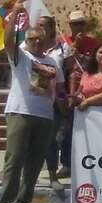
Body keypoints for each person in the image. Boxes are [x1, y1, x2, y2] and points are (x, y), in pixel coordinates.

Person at [0, 3, 60, 203]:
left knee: (34, 163)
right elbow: (8, 40)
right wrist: (15, 13)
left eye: (40, 39)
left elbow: (56, 89)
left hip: (45, 116)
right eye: (32, 39)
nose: (36, 42)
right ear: (27, 40)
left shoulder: (52, 62)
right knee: (14, 161)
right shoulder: (21, 57)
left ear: (46, 40)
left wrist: (65, 100)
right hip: (20, 113)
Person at [57, 10, 100, 179]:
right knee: (68, 129)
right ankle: (66, 164)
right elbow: (63, 66)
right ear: (70, 25)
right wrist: (75, 45)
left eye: (82, 23)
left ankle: (88, 163)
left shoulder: (94, 43)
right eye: (76, 24)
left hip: (88, 90)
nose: (79, 27)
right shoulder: (63, 41)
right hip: (68, 91)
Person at [35, 16, 68, 192]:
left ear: (51, 28)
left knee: (51, 141)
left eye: (43, 25)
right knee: (29, 141)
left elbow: (64, 79)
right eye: (37, 25)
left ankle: (53, 176)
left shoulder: (62, 49)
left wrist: (63, 103)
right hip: (31, 102)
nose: (39, 28)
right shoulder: (26, 47)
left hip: (52, 103)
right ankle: (28, 176)